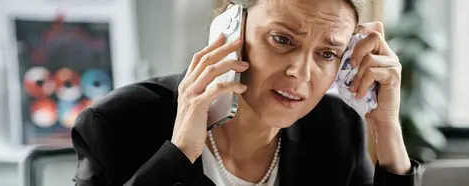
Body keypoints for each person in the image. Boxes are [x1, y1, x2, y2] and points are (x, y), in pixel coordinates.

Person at [71, 0, 421, 185]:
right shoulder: (113, 125)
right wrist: (177, 156)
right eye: (282, 39)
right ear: (230, 28)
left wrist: (386, 125)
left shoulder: (336, 128)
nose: (299, 72)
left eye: (327, 54)